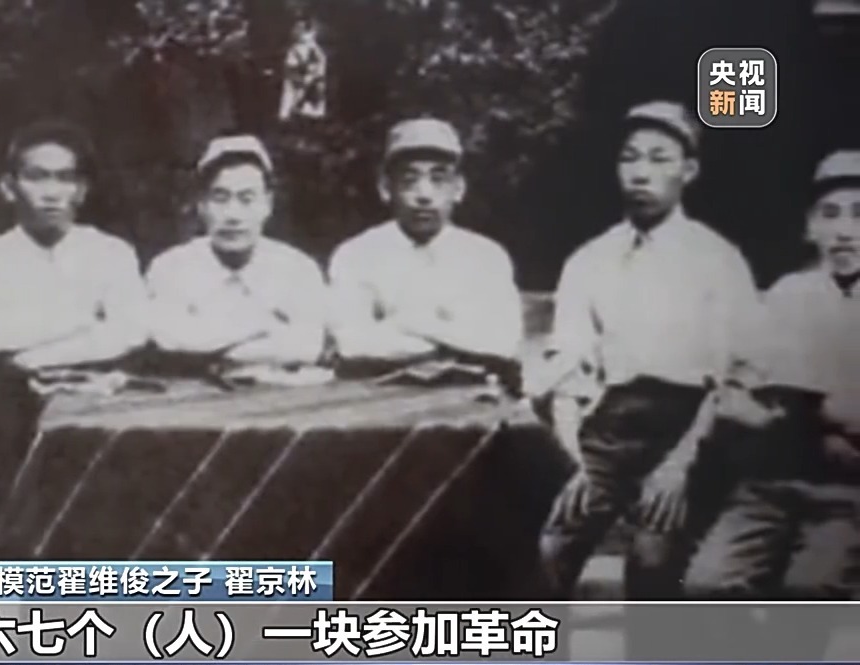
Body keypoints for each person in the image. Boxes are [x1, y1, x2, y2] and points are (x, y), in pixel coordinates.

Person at [527, 101, 762, 603]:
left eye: (659, 159)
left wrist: (680, 468)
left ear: (688, 171)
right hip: (608, 429)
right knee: (549, 547)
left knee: (652, 560)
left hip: (691, 429)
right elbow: (566, 369)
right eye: (630, 158)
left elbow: (732, 379)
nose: (641, 173)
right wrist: (574, 461)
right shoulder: (590, 259)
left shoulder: (717, 260)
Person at [681, 150, 860, 656]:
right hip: (772, 484)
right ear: (810, 228)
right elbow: (741, 394)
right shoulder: (790, 295)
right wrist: (803, 415)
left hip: (847, 493)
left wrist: (806, 408)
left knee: (806, 593)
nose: (844, 231)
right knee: (707, 586)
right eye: (830, 215)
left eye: (859, 215)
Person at [0, 120, 149, 371]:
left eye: (65, 178)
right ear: (8, 188)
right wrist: (81, 324)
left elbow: (131, 332)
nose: (51, 193)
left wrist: (38, 357)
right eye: (36, 177)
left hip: (97, 386)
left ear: (81, 190)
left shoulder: (111, 253)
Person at [328, 118, 524, 378]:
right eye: (409, 180)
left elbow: (503, 342)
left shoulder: (486, 257)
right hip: (378, 393)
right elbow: (351, 345)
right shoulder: (356, 255)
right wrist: (456, 341)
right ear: (386, 188)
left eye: (438, 179)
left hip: (470, 391)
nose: (424, 195)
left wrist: (412, 323)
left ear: (458, 189)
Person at [144, 134, 329, 370]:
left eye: (246, 199)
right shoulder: (171, 268)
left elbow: (307, 347)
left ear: (268, 204)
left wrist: (205, 347)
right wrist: (263, 327)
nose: (233, 215)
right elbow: (168, 339)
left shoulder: (297, 269)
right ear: (201, 205)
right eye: (220, 199)